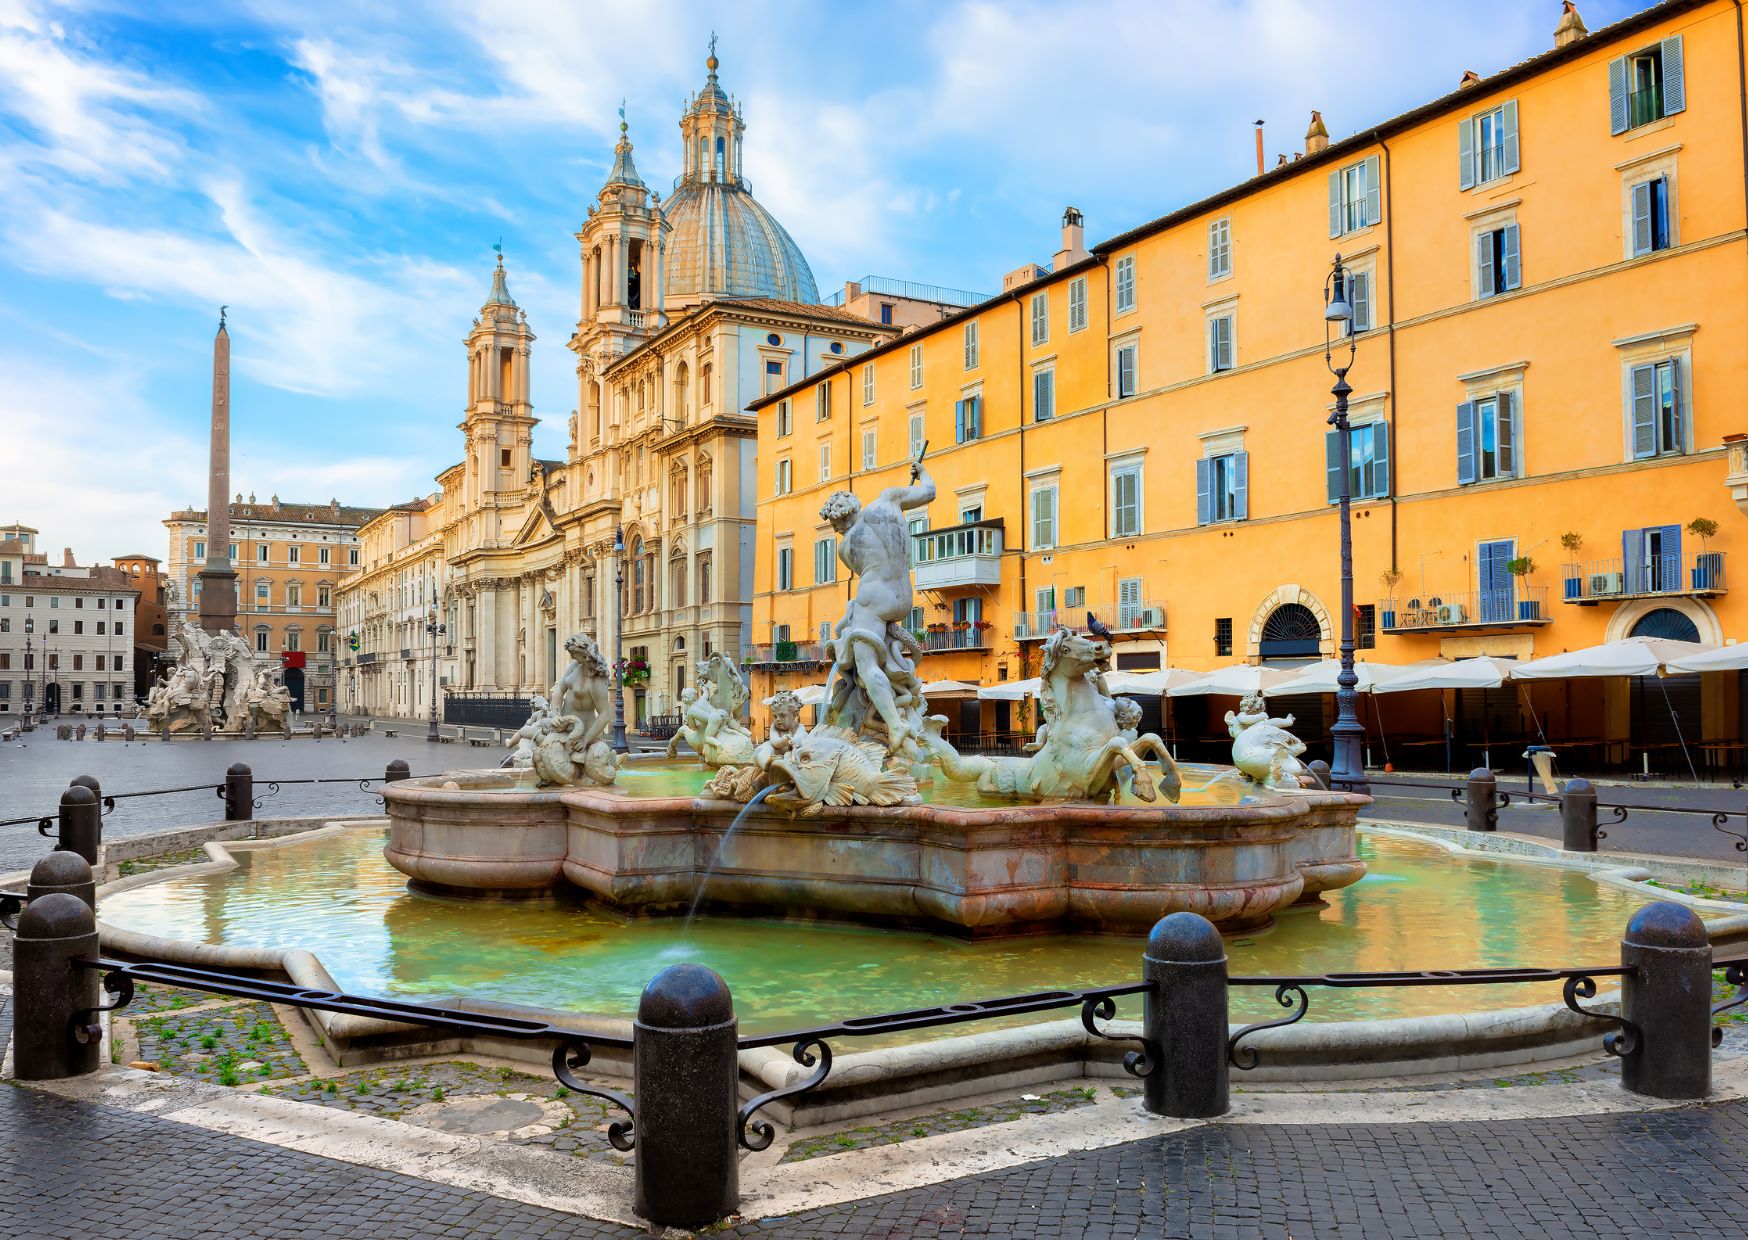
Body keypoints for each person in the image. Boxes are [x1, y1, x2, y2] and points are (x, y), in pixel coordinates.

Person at [819, 457, 935, 751]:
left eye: (834, 525)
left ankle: (895, 725)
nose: (836, 532)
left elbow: (863, 570)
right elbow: (930, 491)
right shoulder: (889, 499)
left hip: (873, 597)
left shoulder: (845, 547)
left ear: (840, 520)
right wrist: (920, 473)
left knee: (866, 664)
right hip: (904, 596)